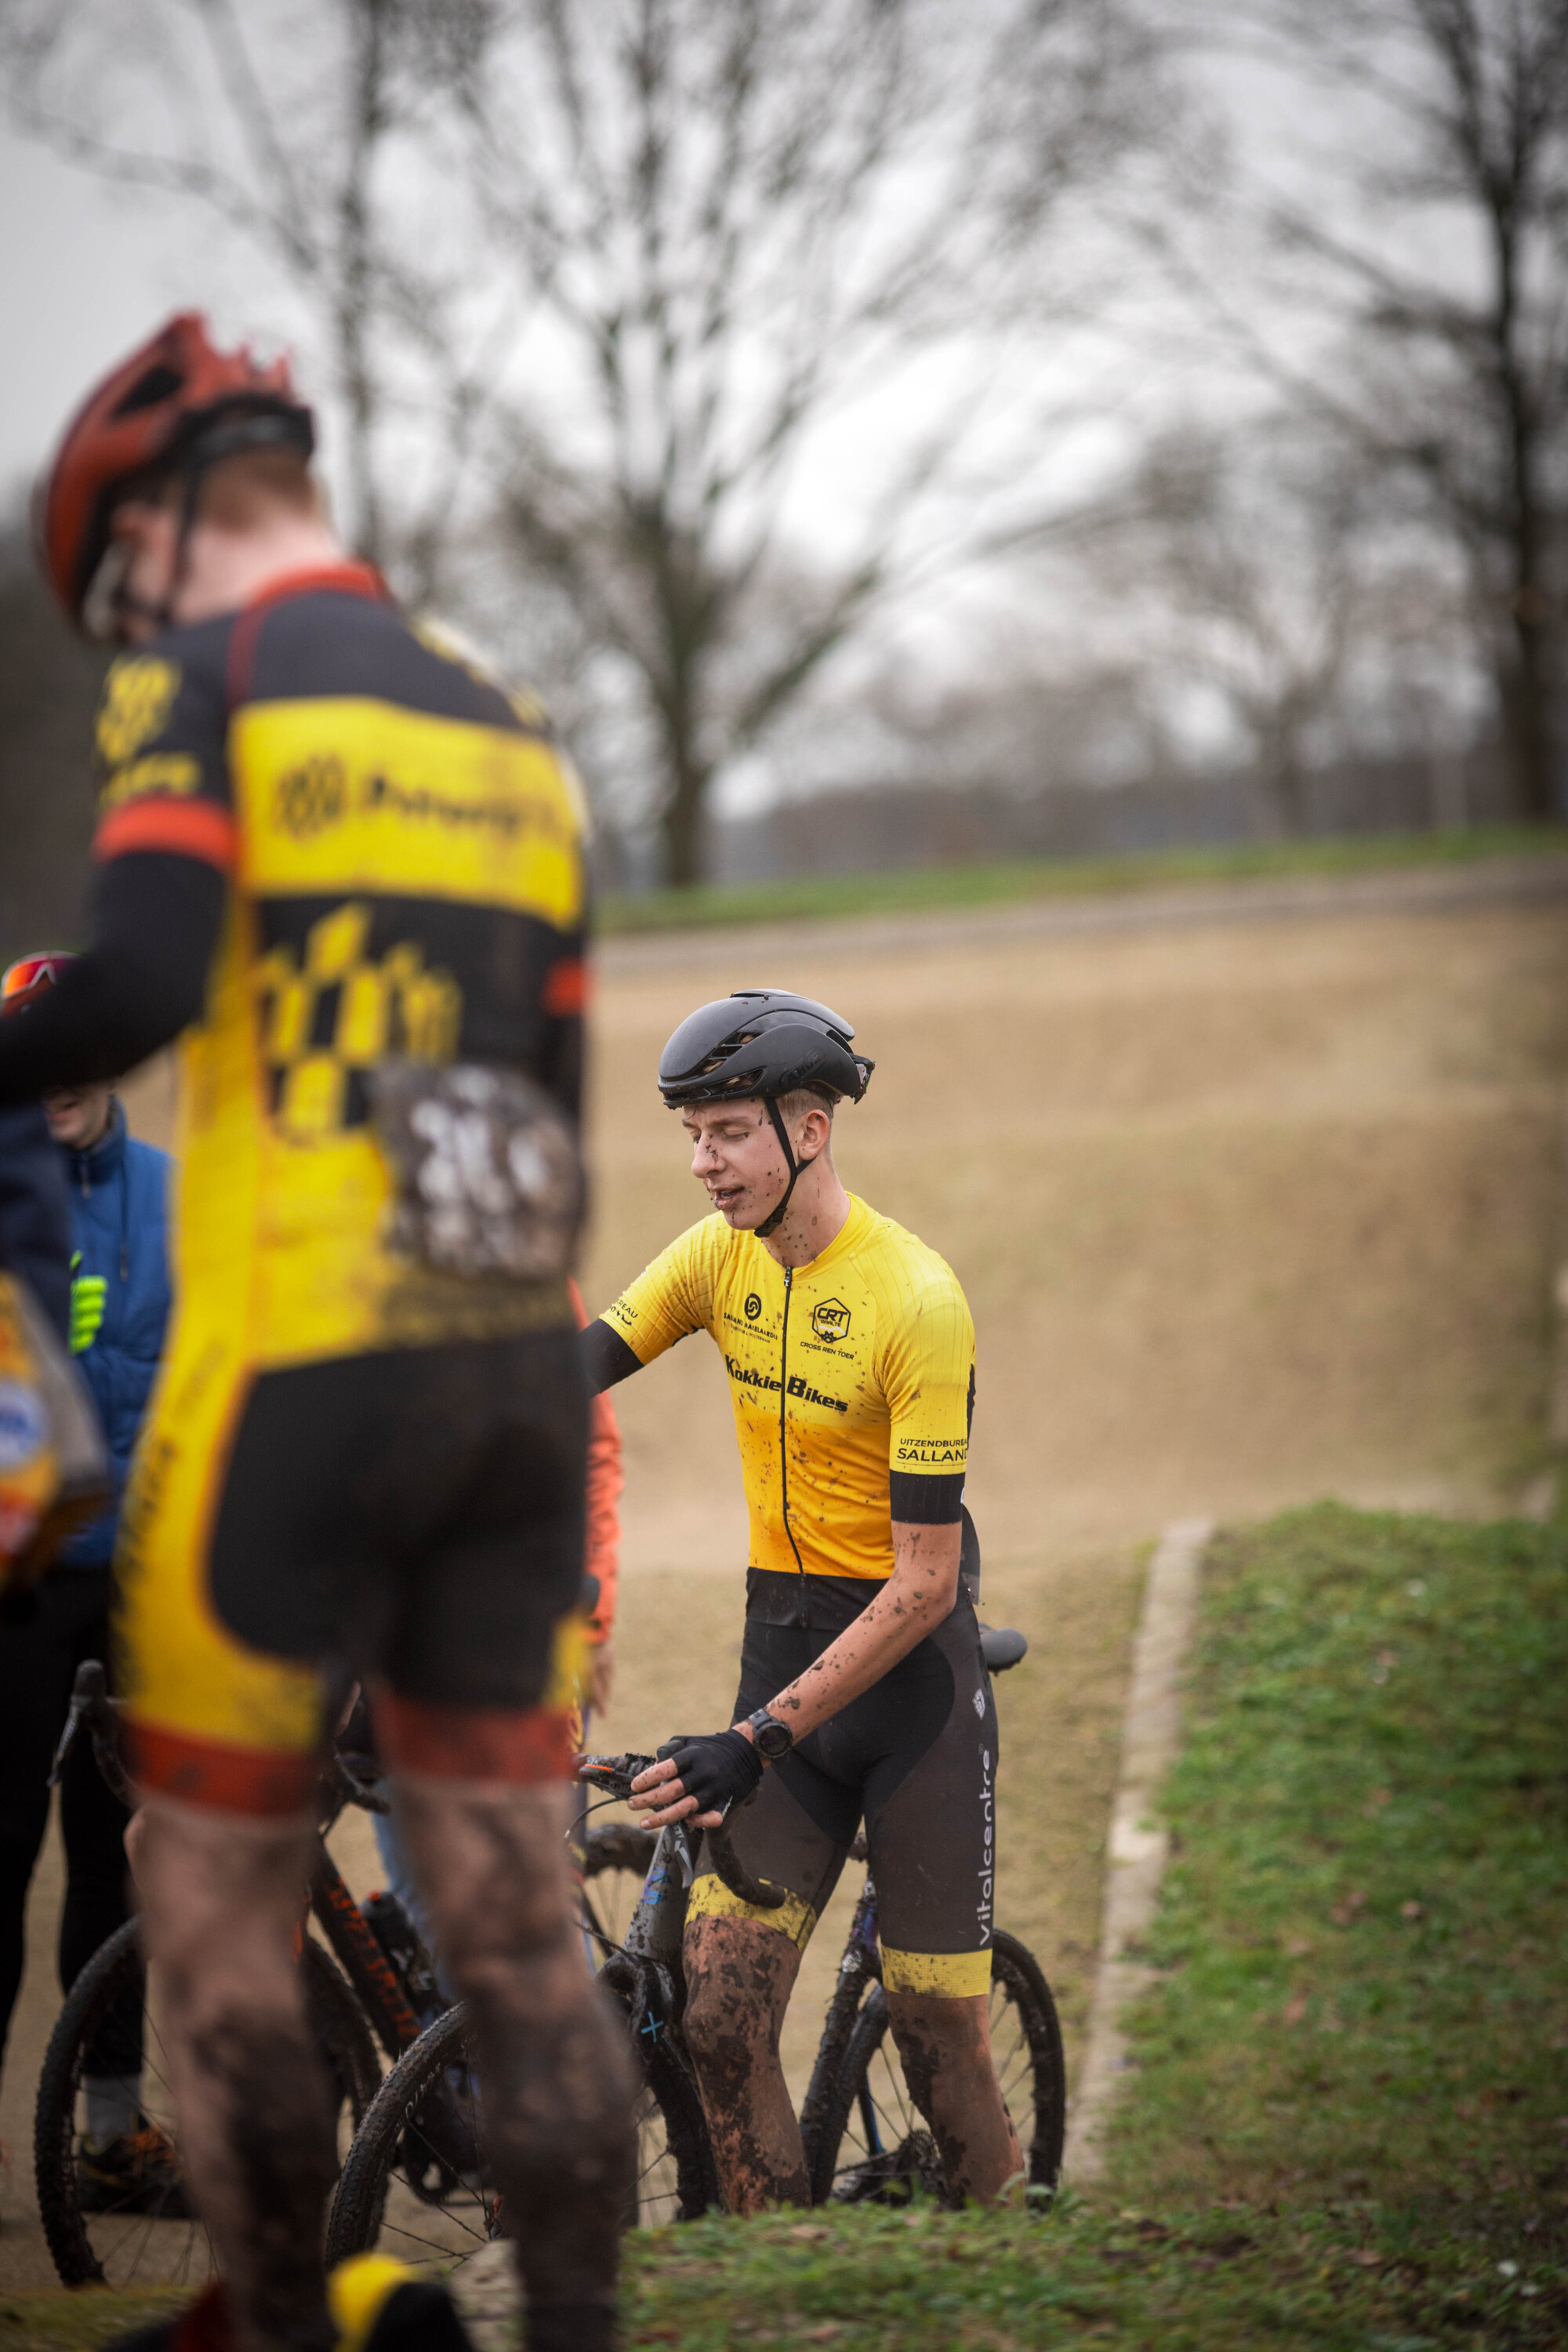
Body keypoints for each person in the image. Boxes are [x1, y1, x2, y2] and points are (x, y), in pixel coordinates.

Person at [2, 311, 631, 2352]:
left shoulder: (215, 678)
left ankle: (293, 2318)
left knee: (208, 1903)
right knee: (514, 1922)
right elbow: (540, 1102)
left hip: (293, 1383)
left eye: (115, 601)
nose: (125, 638)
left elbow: (145, 982)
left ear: (162, 537)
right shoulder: (512, 724)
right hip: (505, 1388)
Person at [579, 989, 1021, 2214]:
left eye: (726, 1132)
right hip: (781, 1649)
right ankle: (786, 2294)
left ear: (810, 1128)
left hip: (910, 1691)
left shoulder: (915, 1300)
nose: (703, 1163)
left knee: (938, 2036)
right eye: (691, 1135)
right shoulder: (716, 1259)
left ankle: (1014, 2273)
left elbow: (926, 1583)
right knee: (719, 2022)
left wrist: (753, 1739)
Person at [0, 952, 178, 2215]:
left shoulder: (180, 1197)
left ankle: (109, 2141)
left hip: (139, 1586)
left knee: (118, 1867)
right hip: (13, 1591)